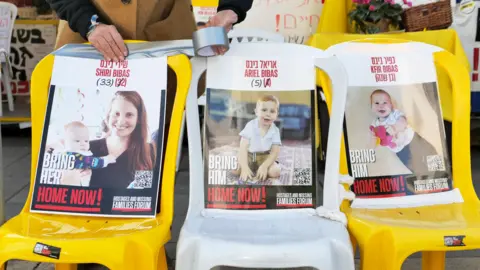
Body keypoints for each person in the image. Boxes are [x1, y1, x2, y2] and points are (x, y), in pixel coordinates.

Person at [368, 89, 440, 193]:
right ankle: (424, 183)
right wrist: (371, 143)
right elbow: (372, 142)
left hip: (413, 139)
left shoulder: (395, 114)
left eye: (385, 102)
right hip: (400, 150)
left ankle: (439, 173)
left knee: (430, 152)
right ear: (372, 107)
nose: (381, 106)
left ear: (391, 105)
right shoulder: (375, 124)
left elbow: (403, 122)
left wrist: (394, 127)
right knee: (412, 165)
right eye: (376, 103)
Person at [233, 95, 282, 183]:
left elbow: (275, 152)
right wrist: (244, 167)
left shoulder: (275, 131)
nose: (268, 114)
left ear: (276, 115)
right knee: (235, 168)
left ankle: (260, 170)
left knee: (275, 172)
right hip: (248, 155)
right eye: (264, 110)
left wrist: (265, 166)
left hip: (265, 156)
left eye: (272, 111)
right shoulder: (250, 126)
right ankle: (248, 169)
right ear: (256, 112)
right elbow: (243, 148)